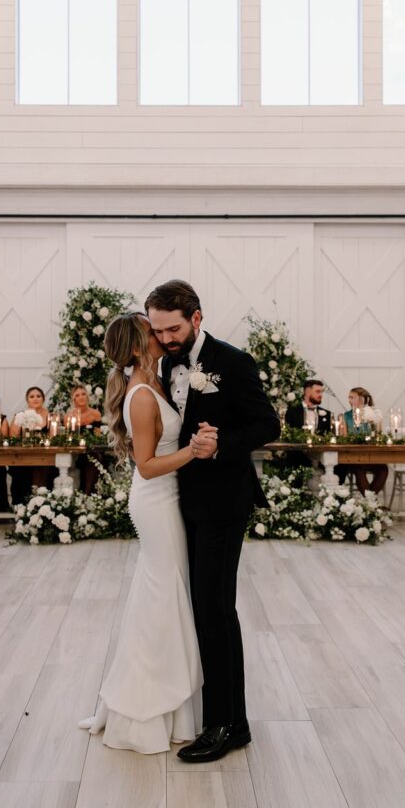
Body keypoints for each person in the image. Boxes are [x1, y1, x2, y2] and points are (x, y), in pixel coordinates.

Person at [147, 280, 280, 763]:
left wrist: (221, 443)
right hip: (178, 500)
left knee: (215, 608)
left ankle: (228, 723)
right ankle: (209, 712)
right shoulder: (164, 362)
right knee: (192, 605)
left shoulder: (234, 362)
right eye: (158, 330)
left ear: (197, 318)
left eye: (174, 328)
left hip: (224, 500)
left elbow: (268, 424)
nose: (165, 339)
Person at [79, 312, 203, 753]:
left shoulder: (153, 382)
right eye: (151, 331)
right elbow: (147, 467)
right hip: (156, 500)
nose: (160, 335)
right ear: (136, 346)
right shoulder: (142, 396)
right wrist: (193, 450)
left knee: (162, 593)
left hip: (167, 499)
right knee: (162, 593)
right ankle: (148, 705)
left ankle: (168, 699)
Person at [338, 387, 388, 495]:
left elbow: (378, 434)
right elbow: (344, 438)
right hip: (355, 457)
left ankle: (369, 503)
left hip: (372, 455)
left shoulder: (372, 414)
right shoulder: (346, 416)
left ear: (362, 399)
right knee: (359, 470)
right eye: (349, 398)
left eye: (353, 397)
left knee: (383, 470)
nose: (350, 400)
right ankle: (371, 504)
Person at [8, 386, 54, 503]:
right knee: (21, 470)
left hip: (45, 456)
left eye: (38, 396)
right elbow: (13, 437)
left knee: (43, 467)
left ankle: (41, 501)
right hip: (24, 456)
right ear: (27, 399)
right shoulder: (20, 416)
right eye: (32, 396)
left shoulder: (51, 416)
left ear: (43, 399)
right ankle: (22, 504)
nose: (35, 399)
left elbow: (54, 438)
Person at [65, 384, 103, 495]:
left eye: (83, 394)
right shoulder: (69, 416)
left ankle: (88, 495)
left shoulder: (95, 414)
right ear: (73, 399)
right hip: (75, 450)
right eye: (77, 395)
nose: (81, 397)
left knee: (94, 457)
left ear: (87, 396)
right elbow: (68, 437)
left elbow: (97, 437)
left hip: (91, 448)